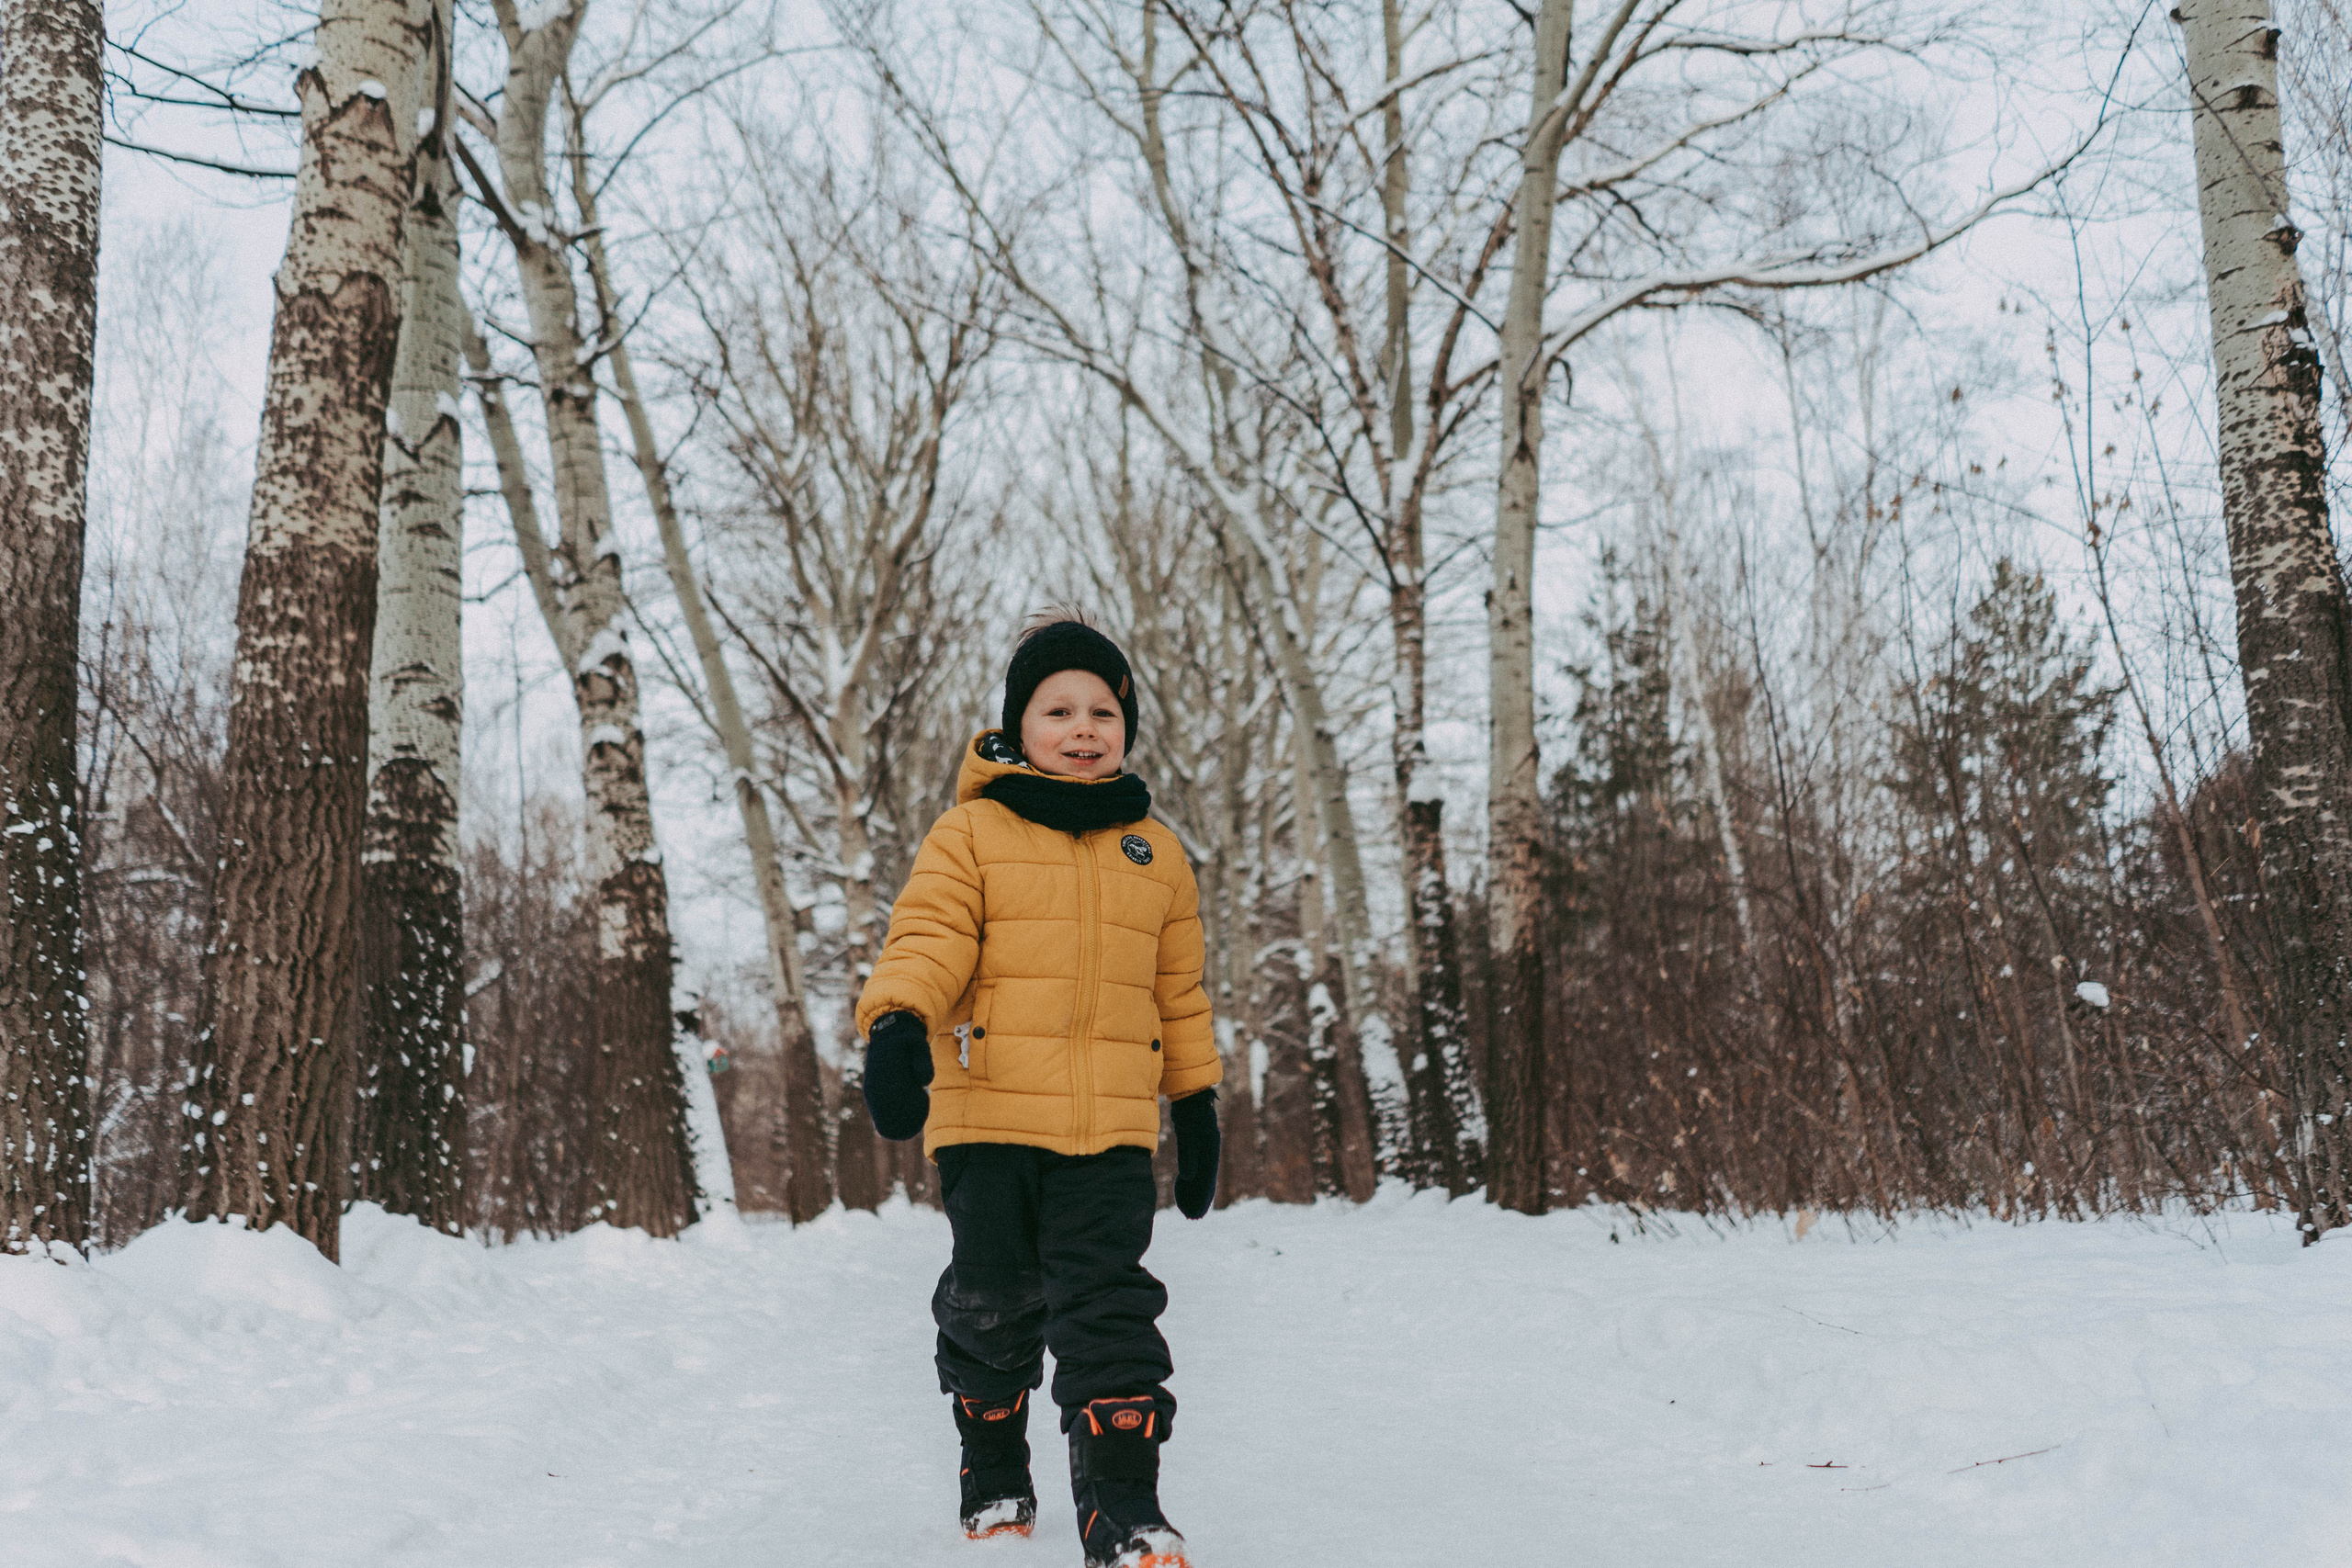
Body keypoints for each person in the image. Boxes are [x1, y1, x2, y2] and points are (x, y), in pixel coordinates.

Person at [855, 611, 1222, 1568]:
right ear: (1020, 725)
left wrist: (1194, 1101)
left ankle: (1123, 1511)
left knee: (1110, 1309)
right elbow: (929, 938)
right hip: (990, 1119)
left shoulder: (1158, 852)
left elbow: (1176, 992)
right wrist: (896, 1021)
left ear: (1126, 728)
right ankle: (992, 1470)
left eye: (1104, 709)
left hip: (1108, 1132)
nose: (1084, 726)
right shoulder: (970, 831)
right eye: (1058, 708)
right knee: (994, 1303)